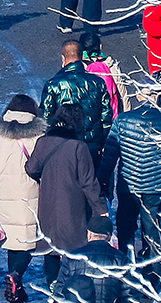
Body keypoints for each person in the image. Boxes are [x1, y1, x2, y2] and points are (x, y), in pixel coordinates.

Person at [25, 103, 103, 291]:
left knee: (51, 249)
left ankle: (53, 288)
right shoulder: (79, 146)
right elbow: (88, 182)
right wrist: (101, 209)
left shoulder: (43, 142)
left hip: (48, 204)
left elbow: (30, 168)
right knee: (74, 248)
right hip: (72, 205)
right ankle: (71, 289)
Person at [0, 93, 46, 303]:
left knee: (11, 242)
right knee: (28, 241)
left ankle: (16, 285)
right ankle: (16, 276)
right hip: (30, 196)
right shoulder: (38, 137)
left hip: (3, 196)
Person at [99, 82, 161, 256]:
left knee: (126, 228)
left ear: (138, 97)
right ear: (158, 96)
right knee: (152, 228)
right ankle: (152, 269)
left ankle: (127, 265)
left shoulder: (122, 120)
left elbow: (110, 155)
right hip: (154, 185)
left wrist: (101, 180)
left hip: (128, 185)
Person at [40, 39, 117, 169]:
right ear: (82, 56)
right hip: (92, 145)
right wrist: (101, 140)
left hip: (63, 145)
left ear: (63, 58)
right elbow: (106, 116)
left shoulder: (52, 85)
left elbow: (46, 118)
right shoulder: (97, 82)